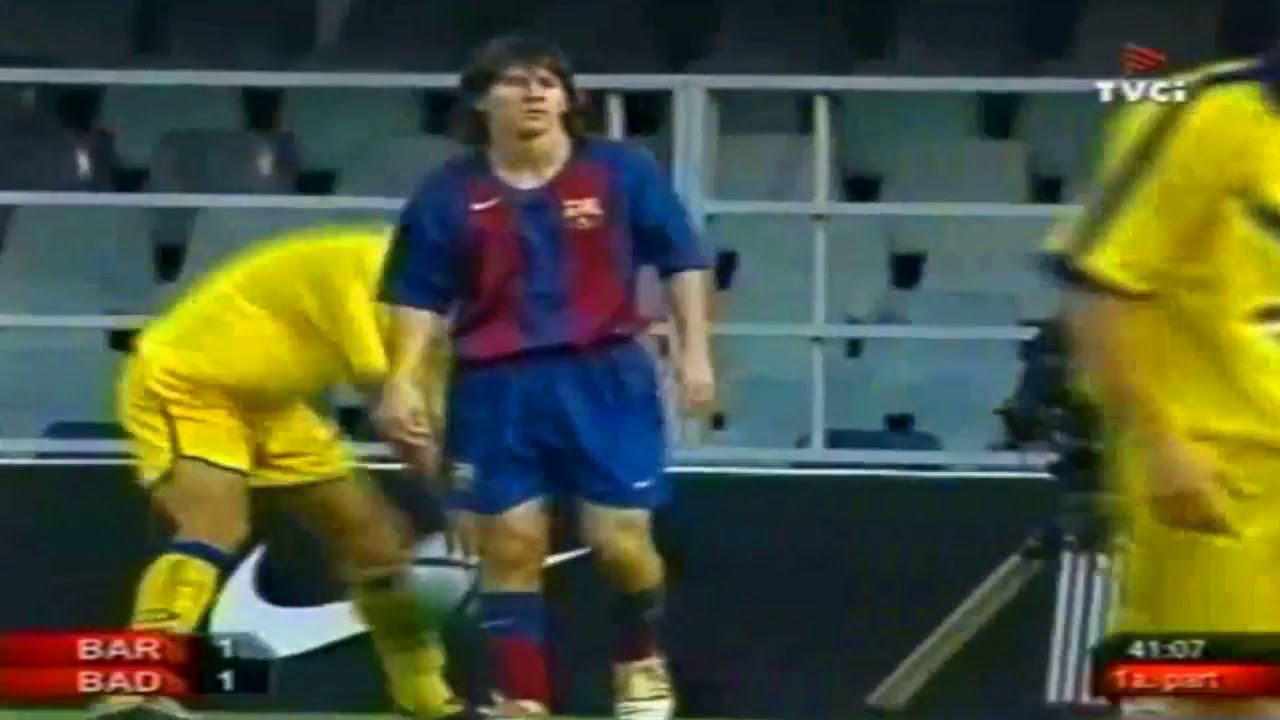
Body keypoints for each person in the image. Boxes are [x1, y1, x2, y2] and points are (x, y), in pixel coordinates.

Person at [376, 35, 715, 720]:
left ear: (567, 100)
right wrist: (403, 380)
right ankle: (522, 697)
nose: (534, 93)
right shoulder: (449, 192)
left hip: (604, 377)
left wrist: (696, 353)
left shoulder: (620, 172)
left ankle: (640, 656)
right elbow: (416, 293)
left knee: (620, 542)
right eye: (515, 81)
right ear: (482, 101)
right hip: (493, 386)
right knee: (510, 545)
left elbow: (682, 260)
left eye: (548, 82)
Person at [93, 225, 462, 720]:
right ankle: (135, 689)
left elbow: (433, 414)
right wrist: (456, 502)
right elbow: (396, 412)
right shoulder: (372, 273)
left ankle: (425, 701)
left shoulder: (433, 315)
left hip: (273, 406)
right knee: (216, 523)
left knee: (375, 544)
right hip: (187, 380)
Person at [1045, 53, 1280, 718]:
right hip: (1219, 483)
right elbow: (1099, 285)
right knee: (1213, 697)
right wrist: (1157, 444)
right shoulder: (1202, 111)